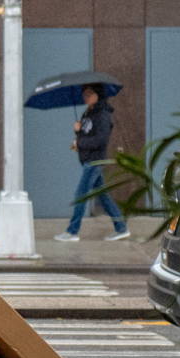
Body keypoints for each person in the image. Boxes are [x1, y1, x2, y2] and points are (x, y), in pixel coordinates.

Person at [54, 84, 130, 242]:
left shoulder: (102, 115)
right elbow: (87, 134)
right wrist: (77, 131)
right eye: (84, 94)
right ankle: (121, 228)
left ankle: (72, 231)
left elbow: (100, 140)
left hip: (95, 160)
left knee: (80, 196)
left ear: (98, 94)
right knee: (103, 196)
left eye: (89, 94)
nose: (85, 97)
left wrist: (80, 143)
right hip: (88, 159)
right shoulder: (89, 112)